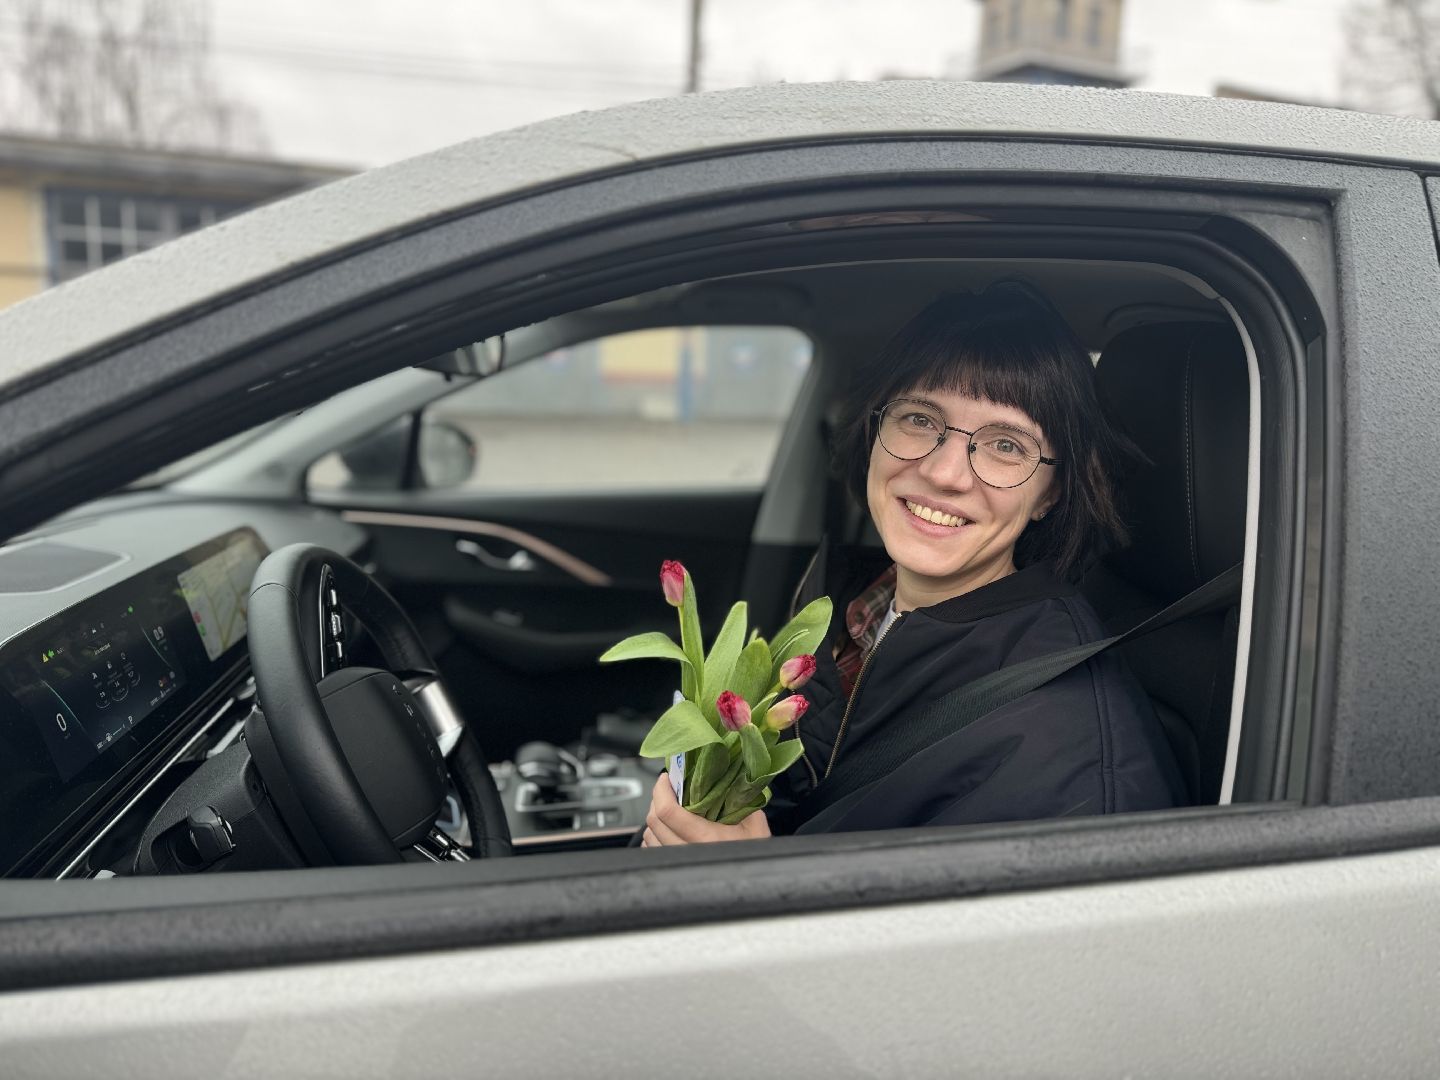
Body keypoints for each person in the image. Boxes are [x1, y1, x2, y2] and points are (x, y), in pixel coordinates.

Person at [640, 282, 1185, 847]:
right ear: (875, 429)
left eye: (1006, 446)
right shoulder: (846, 611)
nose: (946, 473)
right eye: (922, 419)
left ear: (1052, 493)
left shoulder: (1069, 755)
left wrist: (752, 885)